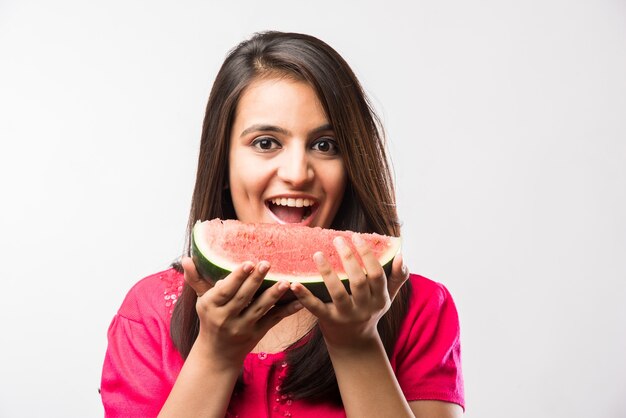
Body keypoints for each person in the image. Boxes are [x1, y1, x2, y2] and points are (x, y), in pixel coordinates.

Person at [100, 31, 464, 417]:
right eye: (266, 143)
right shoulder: (150, 312)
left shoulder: (419, 309)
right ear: (223, 163)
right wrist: (215, 355)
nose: (296, 173)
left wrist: (357, 344)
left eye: (325, 145)